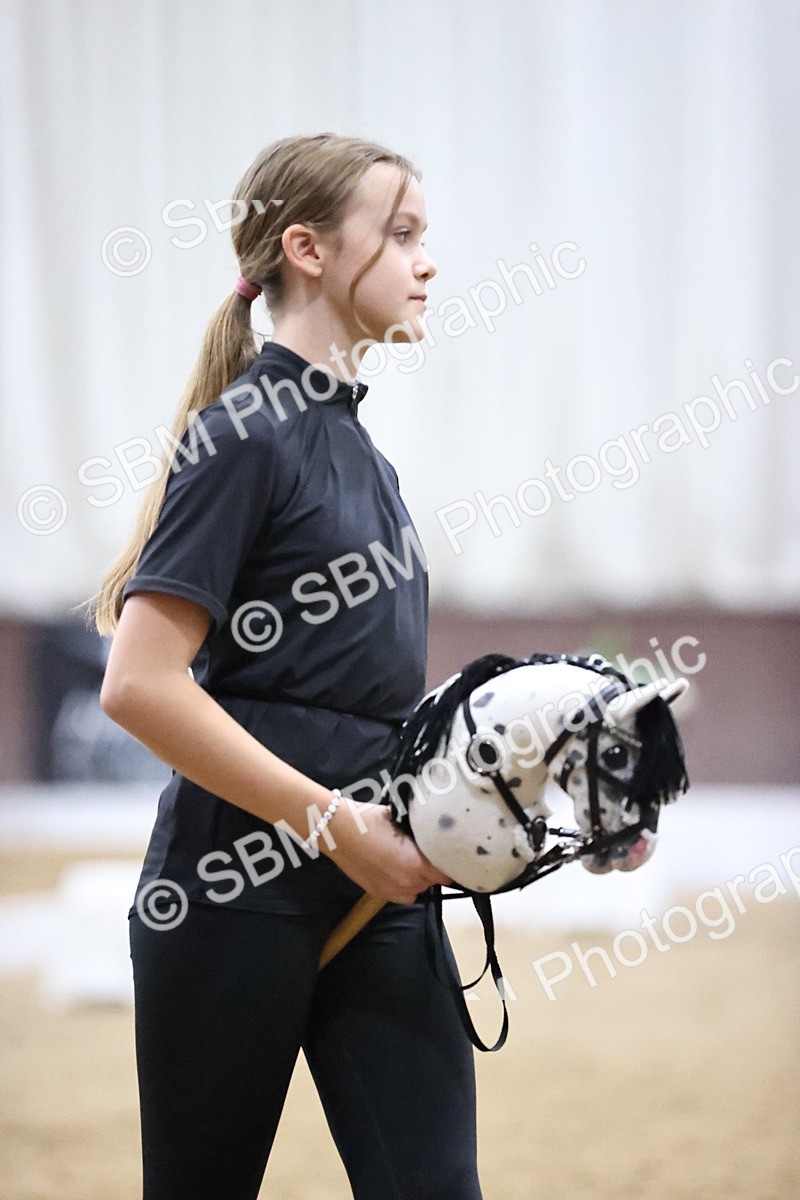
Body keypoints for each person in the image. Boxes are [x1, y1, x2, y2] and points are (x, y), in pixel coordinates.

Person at [91, 133, 484, 1200]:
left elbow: (364, 703)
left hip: (379, 890)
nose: (425, 261)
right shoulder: (246, 434)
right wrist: (332, 824)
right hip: (234, 895)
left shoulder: (369, 456)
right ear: (307, 250)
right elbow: (139, 683)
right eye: (400, 234)